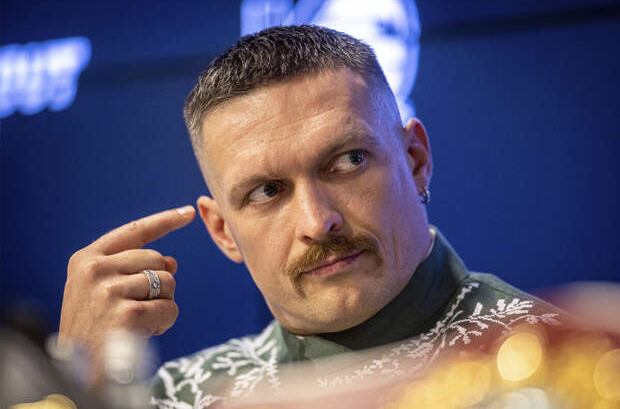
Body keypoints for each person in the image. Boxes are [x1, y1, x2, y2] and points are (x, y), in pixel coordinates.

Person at [58, 25, 563, 407]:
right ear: (223, 231)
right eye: (267, 191)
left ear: (415, 162)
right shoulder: (177, 398)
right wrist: (75, 383)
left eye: (348, 161)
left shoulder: (558, 366)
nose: (318, 223)